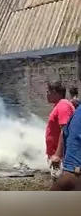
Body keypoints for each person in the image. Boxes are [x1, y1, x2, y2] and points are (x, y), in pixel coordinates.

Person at [49, 42, 81, 190]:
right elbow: (66, 131)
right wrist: (58, 154)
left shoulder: (63, 106)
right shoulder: (77, 110)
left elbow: (73, 177)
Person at [45, 81, 75, 179]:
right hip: (58, 156)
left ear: (54, 91)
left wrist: (57, 154)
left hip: (61, 158)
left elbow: (65, 131)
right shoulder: (59, 105)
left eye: (48, 92)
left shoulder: (63, 105)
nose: (47, 94)